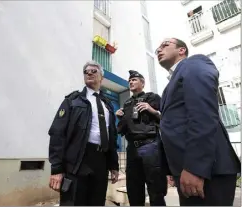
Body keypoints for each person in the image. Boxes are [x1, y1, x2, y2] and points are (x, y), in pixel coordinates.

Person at [155, 37, 241, 206]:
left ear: (182, 51)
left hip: (206, 171)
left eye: (165, 45)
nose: (159, 49)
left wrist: (195, 167)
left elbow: (203, 114)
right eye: (158, 47)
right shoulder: (171, 83)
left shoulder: (193, 64)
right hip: (188, 170)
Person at [48, 60, 119, 206]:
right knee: (74, 202)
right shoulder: (73, 100)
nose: (89, 73)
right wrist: (56, 168)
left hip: (101, 161)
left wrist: (114, 165)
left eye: (94, 71)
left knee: (97, 202)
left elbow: (112, 136)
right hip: (77, 160)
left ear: (102, 78)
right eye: (86, 71)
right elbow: (57, 133)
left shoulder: (107, 105)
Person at [115, 70, 169, 206]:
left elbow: (167, 117)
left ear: (142, 83)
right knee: (133, 188)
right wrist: (120, 117)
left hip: (150, 145)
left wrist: (151, 109)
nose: (131, 82)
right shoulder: (127, 104)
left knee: (156, 188)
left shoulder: (153, 97)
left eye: (134, 80)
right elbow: (123, 128)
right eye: (130, 80)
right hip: (132, 148)